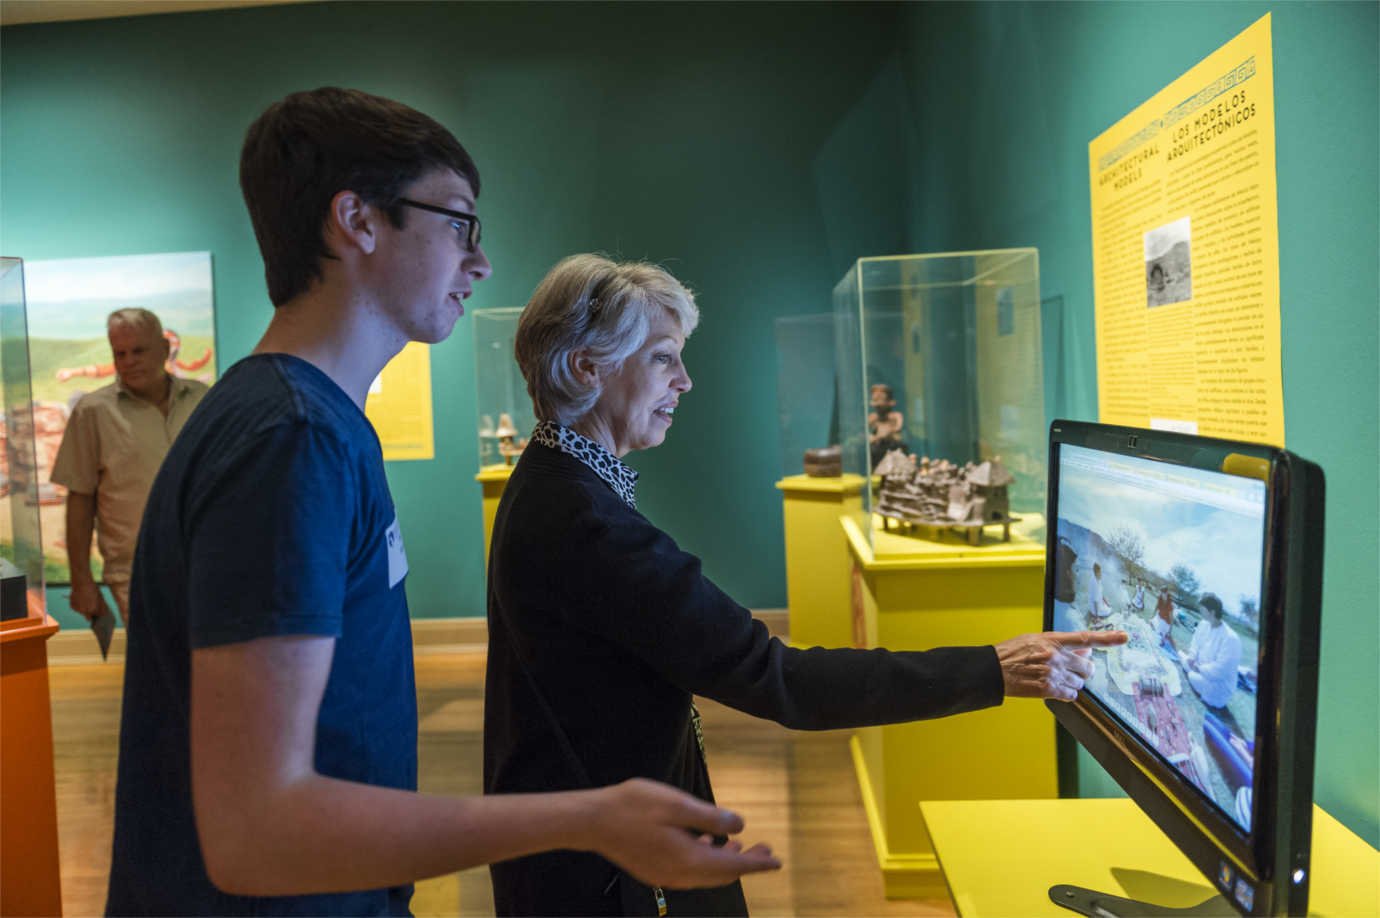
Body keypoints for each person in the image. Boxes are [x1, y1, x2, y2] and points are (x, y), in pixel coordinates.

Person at [104, 88, 778, 918]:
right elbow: (257, 832)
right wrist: (588, 820)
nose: (480, 262)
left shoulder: (310, 425)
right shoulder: (291, 438)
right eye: (458, 223)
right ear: (356, 220)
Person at [484, 253, 1128, 916]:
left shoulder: (550, 480)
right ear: (587, 368)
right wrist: (996, 668)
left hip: (591, 848)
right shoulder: (587, 523)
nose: (685, 380)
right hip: (609, 879)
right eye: (663, 358)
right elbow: (780, 678)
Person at [50, 308, 209, 626]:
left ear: (164, 349)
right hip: (135, 571)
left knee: (213, 654)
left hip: (206, 561)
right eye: (119, 353)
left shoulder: (202, 400)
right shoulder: (92, 412)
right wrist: (81, 580)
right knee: (159, 656)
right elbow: (80, 500)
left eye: (138, 351)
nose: (128, 362)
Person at [1183, 593, 1241, 709]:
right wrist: (1192, 657)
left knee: (1191, 675)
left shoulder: (1231, 638)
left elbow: (1221, 670)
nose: (1201, 611)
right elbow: (1195, 643)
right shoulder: (1203, 624)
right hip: (1199, 667)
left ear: (1212, 612)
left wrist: (1199, 669)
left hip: (1217, 686)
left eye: (1203, 609)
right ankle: (1193, 671)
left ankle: (1194, 675)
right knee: (1185, 661)